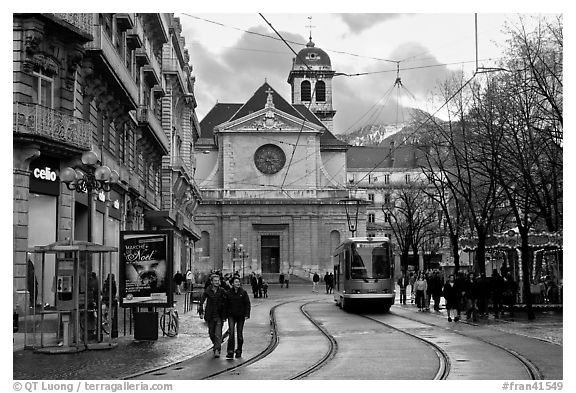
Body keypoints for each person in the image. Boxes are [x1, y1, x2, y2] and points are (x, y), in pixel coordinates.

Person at [198, 274, 228, 358]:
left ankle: (216, 349)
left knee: (218, 334)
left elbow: (228, 297)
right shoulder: (207, 290)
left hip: (219, 315)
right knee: (211, 333)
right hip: (210, 315)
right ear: (211, 282)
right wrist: (200, 311)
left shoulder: (222, 291)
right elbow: (201, 301)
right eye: (215, 281)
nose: (217, 282)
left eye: (218, 281)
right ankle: (216, 344)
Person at [224, 276, 251, 359]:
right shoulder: (228, 293)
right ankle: (230, 351)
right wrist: (225, 315)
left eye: (238, 282)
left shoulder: (243, 292)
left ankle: (239, 350)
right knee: (231, 333)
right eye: (236, 282)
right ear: (232, 284)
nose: (238, 283)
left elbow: (247, 304)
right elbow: (226, 305)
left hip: (240, 316)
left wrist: (247, 314)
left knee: (239, 334)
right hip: (231, 315)